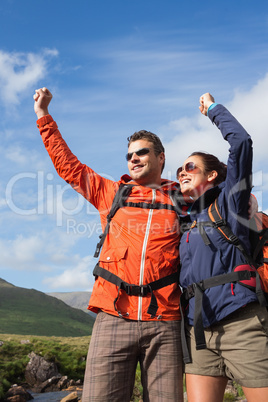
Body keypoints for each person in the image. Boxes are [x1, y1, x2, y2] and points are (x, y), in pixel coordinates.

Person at [33, 87, 183, 401]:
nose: (133, 159)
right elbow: (70, 168)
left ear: (161, 157)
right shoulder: (111, 193)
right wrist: (44, 116)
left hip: (166, 319)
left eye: (141, 152)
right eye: (129, 155)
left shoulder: (183, 199)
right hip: (113, 314)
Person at [177, 93, 268, 402]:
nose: (182, 173)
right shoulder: (184, 223)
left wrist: (214, 110)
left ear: (212, 175)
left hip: (242, 321)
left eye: (190, 166)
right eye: (179, 172)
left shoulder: (230, 201)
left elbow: (241, 143)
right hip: (198, 331)